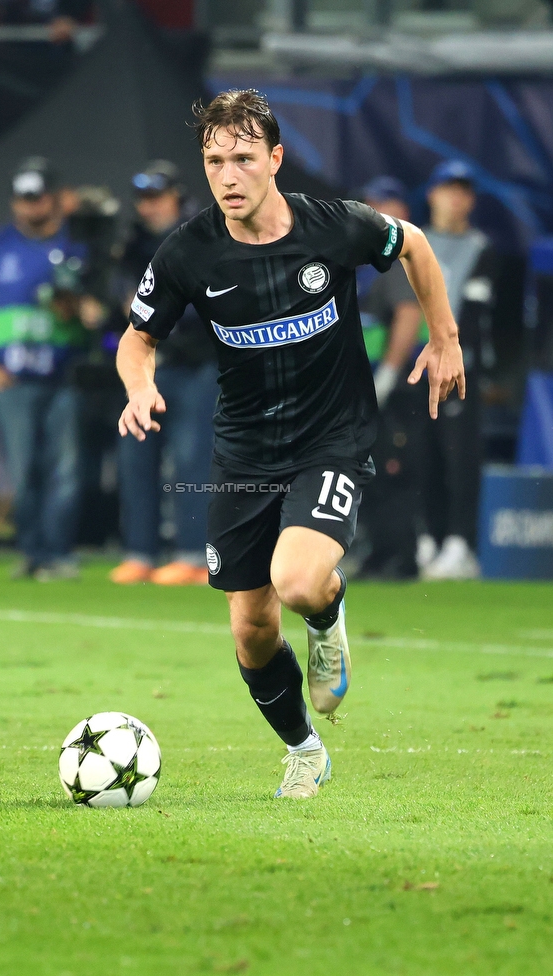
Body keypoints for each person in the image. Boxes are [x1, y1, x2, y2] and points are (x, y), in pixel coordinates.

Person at [116, 90, 465, 799]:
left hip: (331, 439)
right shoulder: (189, 250)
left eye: (243, 158)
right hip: (243, 450)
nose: (228, 175)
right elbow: (137, 337)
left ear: (275, 159)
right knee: (250, 629)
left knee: (298, 580)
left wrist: (445, 336)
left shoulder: (333, 228)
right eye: (215, 161)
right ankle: (304, 750)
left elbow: (415, 246)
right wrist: (138, 386)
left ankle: (328, 616)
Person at [110, 161, 217, 586]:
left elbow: (213, 298)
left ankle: (193, 555)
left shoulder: (204, 233)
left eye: (157, 197)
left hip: (198, 362)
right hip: (150, 363)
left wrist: (156, 311)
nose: (149, 207)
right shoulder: (132, 242)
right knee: (136, 456)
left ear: (176, 195)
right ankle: (141, 553)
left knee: (192, 459)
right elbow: (121, 294)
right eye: (143, 199)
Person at [0, 156, 90, 581]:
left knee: (65, 470)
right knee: (23, 470)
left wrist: (81, 310)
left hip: (65, 374)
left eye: (38, 196)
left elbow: (95, 312)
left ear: (55, 199)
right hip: (13, 379)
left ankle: (58, 552)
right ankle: (31, 552)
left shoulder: (78, 245)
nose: (30, 205)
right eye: (23, 198)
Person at [419, 160, 496, 579]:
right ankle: (429, 537)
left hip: (460, 368)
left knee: (459, 456)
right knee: (421, 453)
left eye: (464, 190)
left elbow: (482, 317)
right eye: (449, 188)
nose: (456, 197)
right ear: (432, 193)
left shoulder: (482, 248)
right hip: (419, 364)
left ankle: (460, 542)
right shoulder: (415, 243)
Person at [356, 176, 425, 578]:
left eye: (387, 204)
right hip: (370, 382)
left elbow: (408, 314)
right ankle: (381, 550)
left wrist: (388, 373)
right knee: (373, 469)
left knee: (393, 467)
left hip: (393, 387)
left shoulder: (397, 255)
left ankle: (401, 555)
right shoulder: (368, 257)